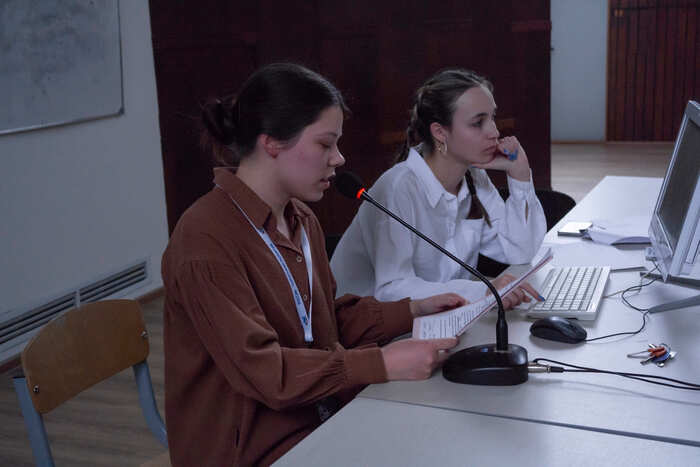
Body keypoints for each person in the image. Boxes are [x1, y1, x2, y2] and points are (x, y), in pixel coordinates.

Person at [161, 63, 467, 466]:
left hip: (319, 416)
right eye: (325, 144)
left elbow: (323, 325)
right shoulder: (205, 240)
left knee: (445, 436)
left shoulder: (301, 219)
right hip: (253, 449)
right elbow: (266, 373)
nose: (339, 158)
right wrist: (380, 362)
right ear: (272, 143)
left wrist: (412, 310)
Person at [330, 68, 547, 305]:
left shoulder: (474, 177)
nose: (494, 132)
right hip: (364, 320)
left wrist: (519, 173)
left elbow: (520, 251)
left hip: (442, 316)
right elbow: (392, 289)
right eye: (478, 123)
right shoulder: (397, 188)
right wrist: (482, 291)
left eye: (492, 118)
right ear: (440, 132)